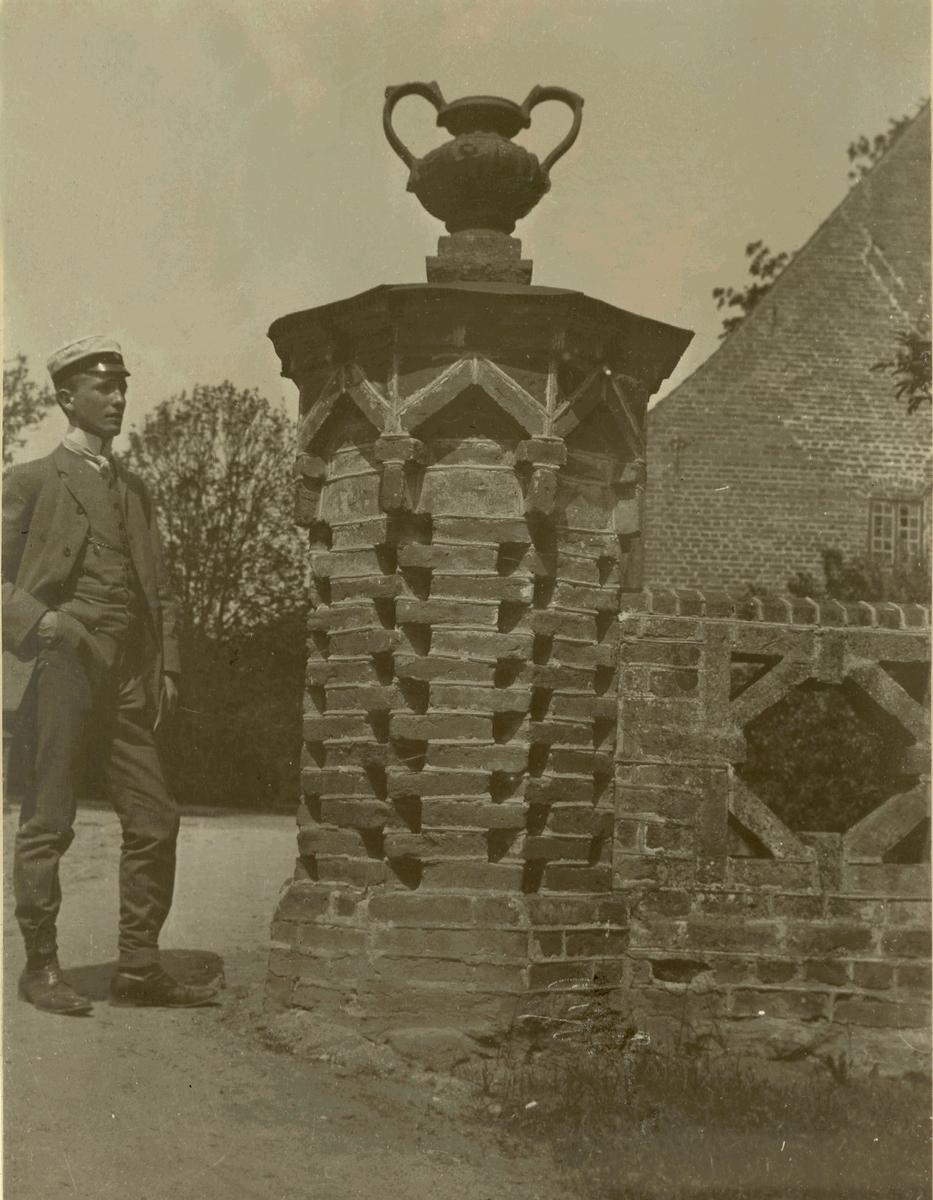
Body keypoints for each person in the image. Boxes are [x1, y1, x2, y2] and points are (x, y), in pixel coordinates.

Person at [3, 335, 217, 1014]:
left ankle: (139, 967)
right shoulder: (32, 480)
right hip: (60, 668)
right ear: (67, 398)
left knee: (155, 818)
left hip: (128, 676)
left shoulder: (135, 490)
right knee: (49, 819)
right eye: (103, 387)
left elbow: (159, 586)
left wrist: (169, 665)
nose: (118, 398)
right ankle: (41, 969)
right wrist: (44, 622)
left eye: (122, 385)